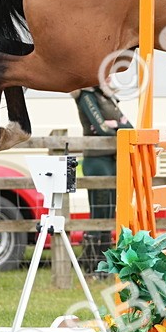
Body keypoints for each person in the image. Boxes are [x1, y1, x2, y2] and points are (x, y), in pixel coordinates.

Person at [73, 85, 133, 265]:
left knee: (110, 210)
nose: (109, 74)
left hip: (112, 158)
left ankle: (106, 262)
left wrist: (116, 124)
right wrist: (117, 125)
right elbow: (100, 128)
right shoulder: (86, 95)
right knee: (99, 211)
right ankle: (92, 262)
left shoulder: (106, 95)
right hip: (97, 159)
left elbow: (130, 127)